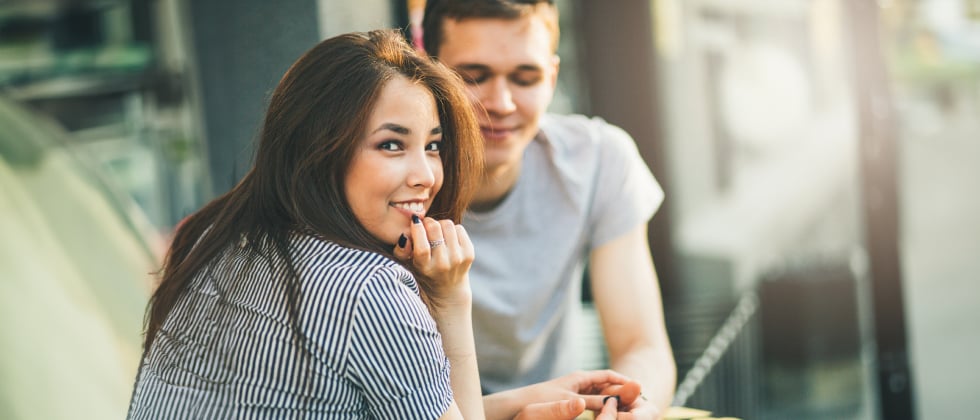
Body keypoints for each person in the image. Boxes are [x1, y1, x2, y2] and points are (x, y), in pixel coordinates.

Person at [126, 29, 631, 419]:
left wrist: (524, 400)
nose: (426, 176)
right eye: (392, 144)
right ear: (320, 150)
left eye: (432, 146)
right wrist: (451, 301)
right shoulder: (370, 290)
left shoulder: (220, 238)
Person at [421, 1, 677, 418]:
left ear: (552, 77)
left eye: (526, 77)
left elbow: (640, 344)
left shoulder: (598, 159)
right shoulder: (391, 185)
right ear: (426, 71)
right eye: (473, 76)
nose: (501, 102)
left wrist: (631, 407)